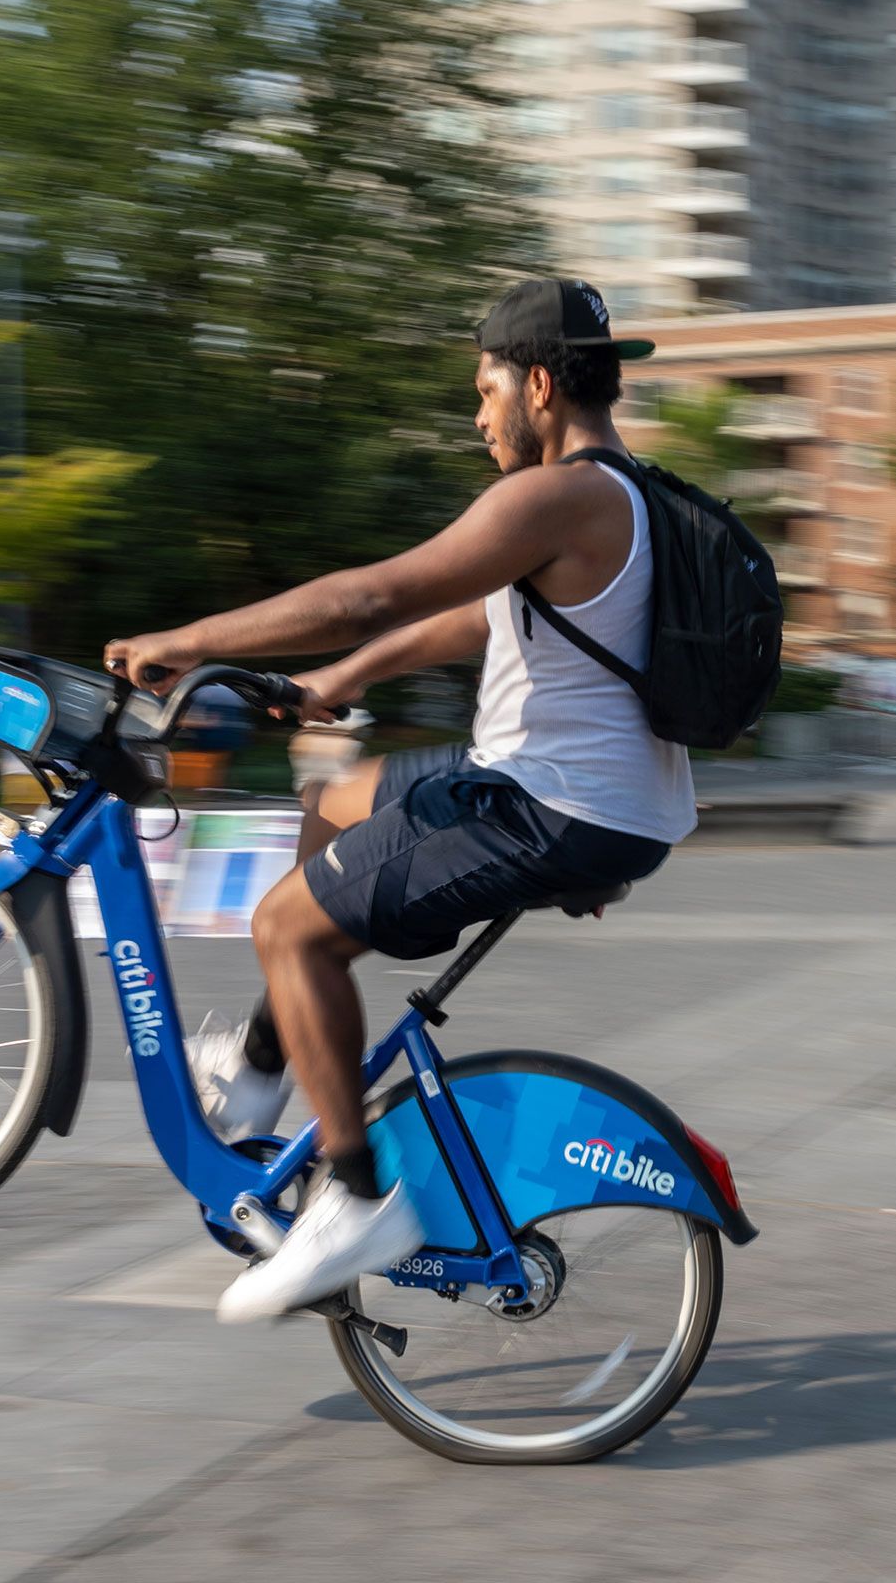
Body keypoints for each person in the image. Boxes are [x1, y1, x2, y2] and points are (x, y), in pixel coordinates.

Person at [105, 277, 696, 1325]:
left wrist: (189, 639)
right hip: (586, 796)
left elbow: (374, 589)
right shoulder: (627, 496)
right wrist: (347, 678)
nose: (478, 417)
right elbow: (475, 619)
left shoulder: (554, 495)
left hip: (542, 801)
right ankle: (256, 1068)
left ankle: (356, 1196)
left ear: (542, 384)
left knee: (286, 927)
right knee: (337, 802)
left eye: (485, 390)